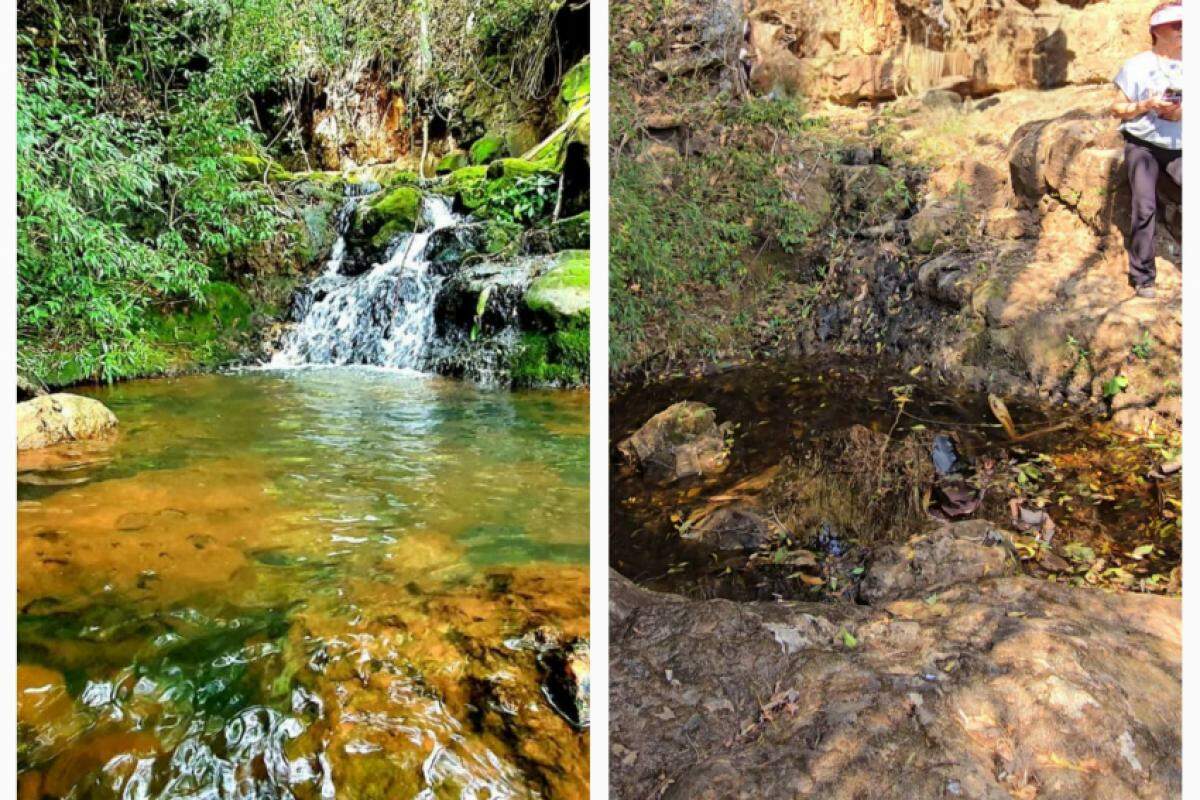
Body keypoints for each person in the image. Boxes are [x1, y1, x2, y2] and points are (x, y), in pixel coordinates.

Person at [1110, 1, 1182, 300]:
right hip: (1143, 144)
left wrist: (1179, 113)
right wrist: (1145, 106)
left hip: (1181, 143)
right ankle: (1143, 278)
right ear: (1158, 30)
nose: (1185, 31)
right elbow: (1116, 107)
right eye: (1178, 25)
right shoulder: (1137, 65)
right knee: (1144, 206)